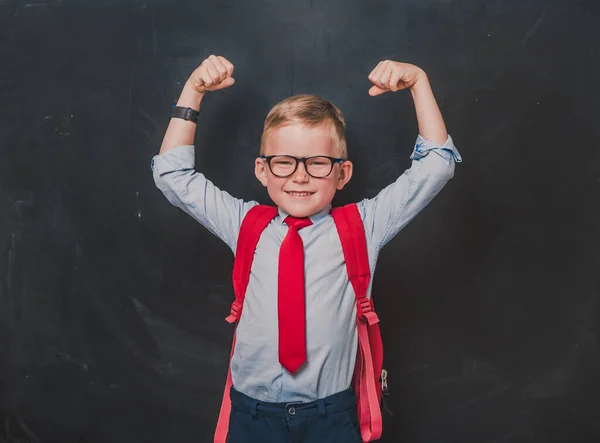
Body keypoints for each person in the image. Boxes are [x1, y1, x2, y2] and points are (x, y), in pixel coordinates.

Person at [151, 54, 462, 442]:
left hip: (331, 417)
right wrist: (193, 91)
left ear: (342, 173)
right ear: (262, 171)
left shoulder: (363, 227)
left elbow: (436, 167)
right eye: (284, 162)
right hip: (252, 415)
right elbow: (172, 174)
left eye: (317, 162)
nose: (299, 175)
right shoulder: (244, 223)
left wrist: (418, 82)